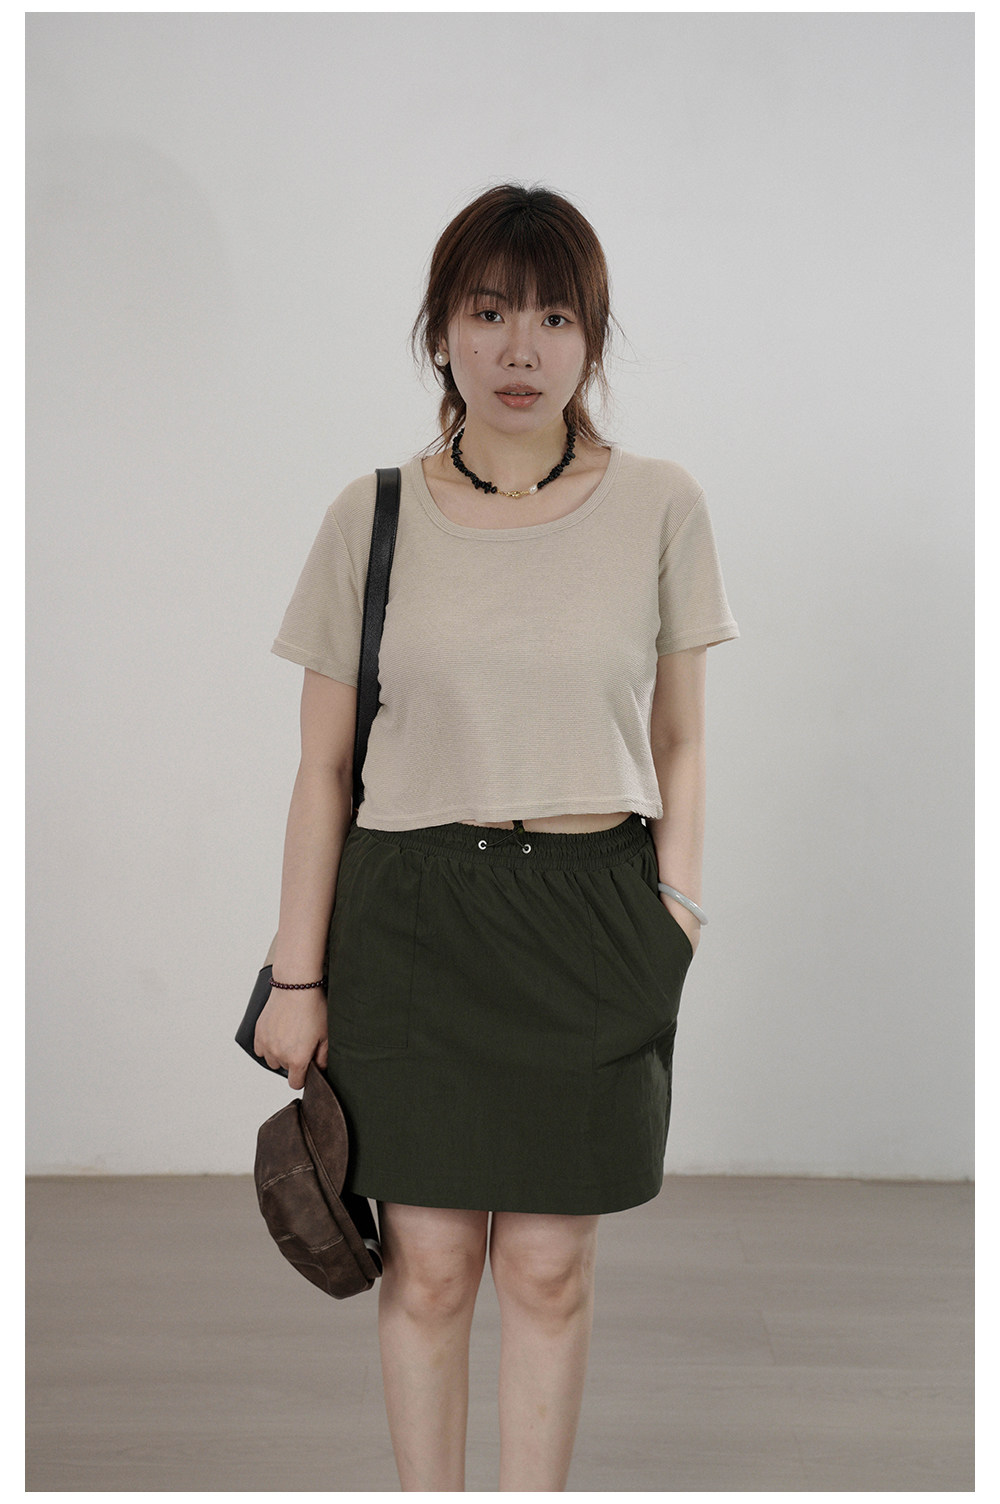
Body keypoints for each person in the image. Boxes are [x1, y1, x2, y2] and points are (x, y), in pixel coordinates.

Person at [254, 182, 739, 1491]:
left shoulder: (661, 504)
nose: (521, 349)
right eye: (487, 313)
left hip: (593, 914)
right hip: (411, 917)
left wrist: (678, 914)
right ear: (441, 332)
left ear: (592, 340)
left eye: (555, 318)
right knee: (426, 1270)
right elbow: (322, 768)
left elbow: (685, 739)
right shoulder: (371, 516)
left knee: (547, 1268)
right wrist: (298, 977)